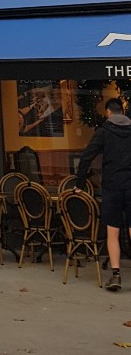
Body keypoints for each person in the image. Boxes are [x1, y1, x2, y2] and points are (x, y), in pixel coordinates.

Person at [75, 97, 131, 291]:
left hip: (112, 187)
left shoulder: (104, 132)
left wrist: (79, 183)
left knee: (112, 232)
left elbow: (86, 157)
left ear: (108, 112)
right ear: (123, 111)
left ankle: (116, 275)